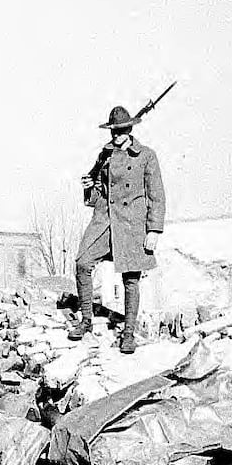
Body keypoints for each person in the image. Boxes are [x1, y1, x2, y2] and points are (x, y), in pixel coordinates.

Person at [68, 104, 166, 354]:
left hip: (132, 224)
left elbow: (157, 195)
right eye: (113, 131)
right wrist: (88, 186)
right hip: (105, 220)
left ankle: (129, 334)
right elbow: (96, 194)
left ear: (130, 129)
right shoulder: (105, 155)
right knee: (82, 263)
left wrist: (154, 230)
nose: (116, 135)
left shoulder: (146, 156)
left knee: (131, 279)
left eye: (120, 131)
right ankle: (86, 321)